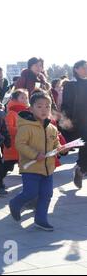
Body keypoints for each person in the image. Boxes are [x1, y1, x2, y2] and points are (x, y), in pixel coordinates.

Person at [9, 92, 68, 231]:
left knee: (47, 194)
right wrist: (35, 154)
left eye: (47, 107)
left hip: (48, 167)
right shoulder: (26, 126)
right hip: (31, 167)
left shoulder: (52, 127)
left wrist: (61, 149)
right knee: (30, 193)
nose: (44, 110)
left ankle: (41, 220)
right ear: (31, 108)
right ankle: (15, 203)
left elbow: (56, 143)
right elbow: (20, 144)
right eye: (40, 106)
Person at [61, 60, 87, 188]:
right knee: (84, 143)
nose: (86, 70)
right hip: (78, 122)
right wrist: (67, 121)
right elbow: (66, 105)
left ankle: (81, 168)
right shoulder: (70, 85)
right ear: (76, 69)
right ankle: (81, 167)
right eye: (84, 68)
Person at [3, 89, 29, 174]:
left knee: (24, 161)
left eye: (26, 97)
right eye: (22, 97)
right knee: (8, 163)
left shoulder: (27, 112)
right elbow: (8, 128)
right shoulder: (12, 112)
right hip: (13, 144)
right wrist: (22, 131)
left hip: (23, 143)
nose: (25, 100)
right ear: (15, 99)